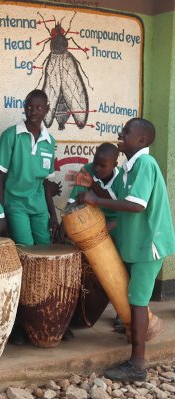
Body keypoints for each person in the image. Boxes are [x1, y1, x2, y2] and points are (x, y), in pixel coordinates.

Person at [79, 118, 175, 383]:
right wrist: (93, 187)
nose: (121, 133)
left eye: (127, 131)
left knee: (138, 302)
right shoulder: (128, 169)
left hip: (149, 245)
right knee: (134, 298)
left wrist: (94, 199)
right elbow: (114, 199)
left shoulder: (146, 164)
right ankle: (134, 350)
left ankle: (138, 365)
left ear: (142, 141)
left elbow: (136, 205)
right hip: (138, 243)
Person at [0, 89, 58, 246]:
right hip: (16, 204)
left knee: (45, 246)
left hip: (39, 206)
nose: (33, 112)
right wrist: (0, 213)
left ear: (47, 109)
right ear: (24, 107)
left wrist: (53, 215)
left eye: (39, 108)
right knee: (26, 247)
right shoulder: (11, 135)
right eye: (29, 107)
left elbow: (46, 184)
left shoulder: (49, 141)